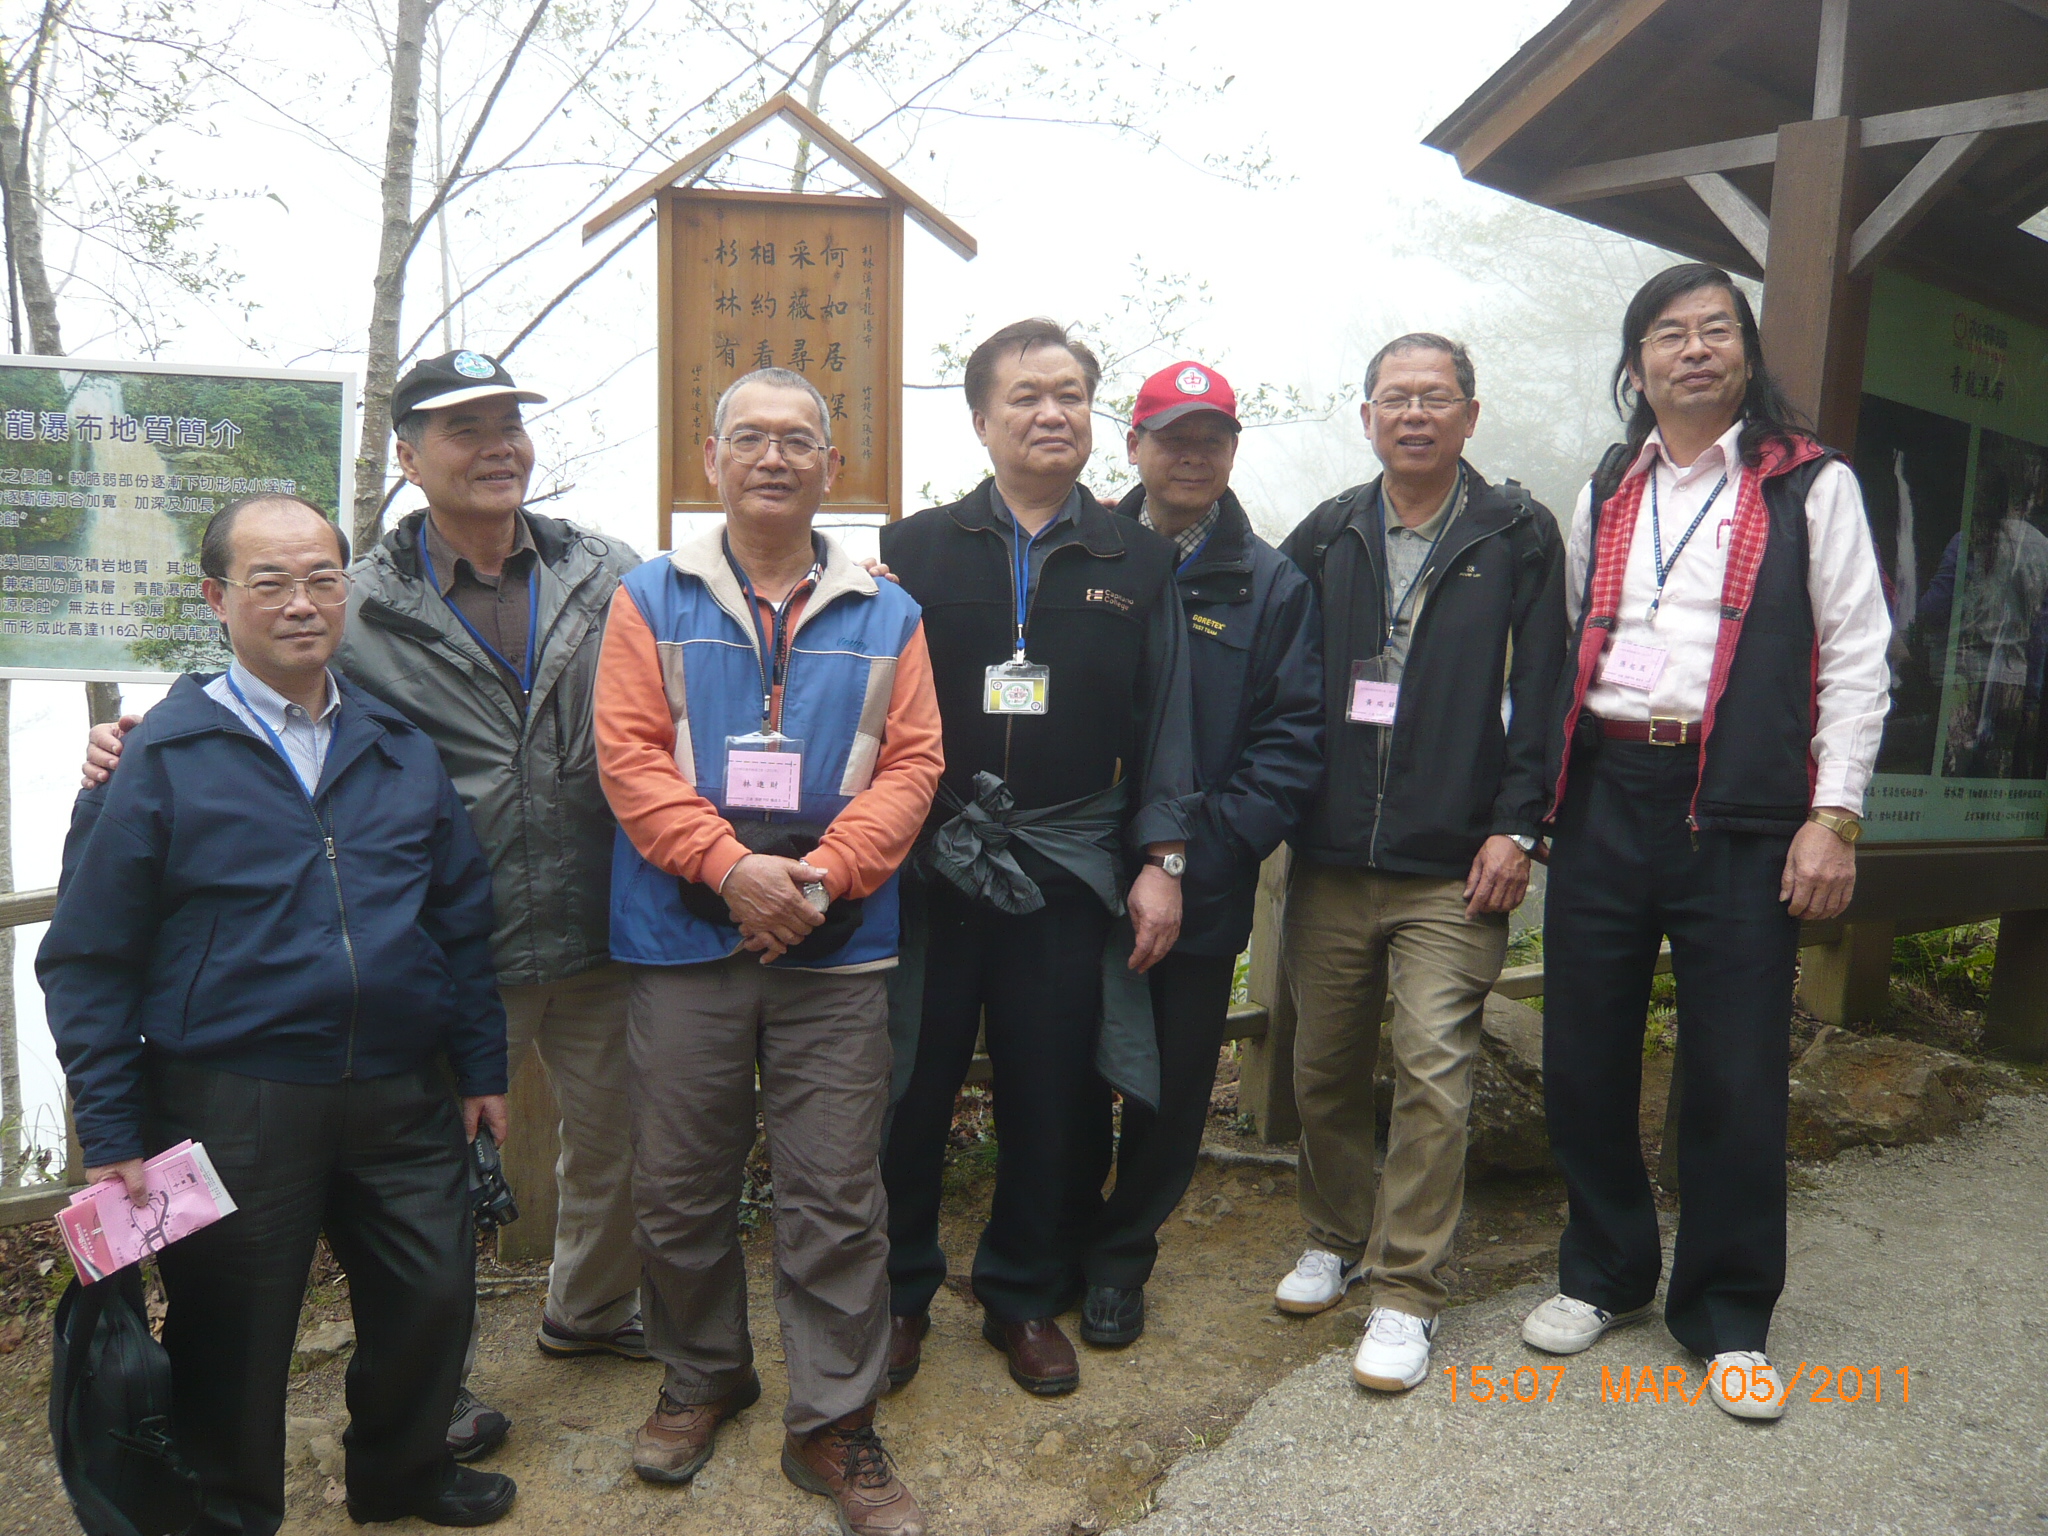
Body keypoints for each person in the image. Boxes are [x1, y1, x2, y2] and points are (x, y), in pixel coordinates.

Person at [86, 350, 648, 1459]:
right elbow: (264, 672)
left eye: (509, 424)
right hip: (438, 947)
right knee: (431, 1189)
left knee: (618, 1145)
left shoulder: (608, 572)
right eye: (464, 429)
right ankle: (432, 1396)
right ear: (407, 456)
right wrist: (139, 735)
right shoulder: (366, 594)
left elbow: (688, 672)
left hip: (597, 916)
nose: (496, 447)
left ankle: (588, 1312)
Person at [40, 494, 516, 1532]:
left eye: (322, 579)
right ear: (217, 598)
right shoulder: (158, 757)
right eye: (270, 582)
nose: (301, 603)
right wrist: (111, 1129)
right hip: (233, 1096)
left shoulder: (396, 743)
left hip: (400, 1083)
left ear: (346, 591)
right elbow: (87, 958)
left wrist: (482, 1066)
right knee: (234, 1328)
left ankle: (403, 1473)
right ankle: (229, 1510)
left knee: (433, 1296)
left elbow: (458, 920)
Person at [1524, 263, 1889, 1421]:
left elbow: (1857, 655)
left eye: (1714, 330)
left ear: (1744, 353)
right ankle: (1603, 1271)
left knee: (1734, 1070)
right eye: (1667, 334)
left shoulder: (1807, 483)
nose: (1692, 349)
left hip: (1739, 805)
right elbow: (1573, 638)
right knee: (1582, 1050)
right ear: (1634, 365)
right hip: (1605, 793)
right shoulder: (1606, 486)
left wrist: (1831, 816)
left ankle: (1728, 1314)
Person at [594, 366, 942, 1534]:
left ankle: (833, 1420)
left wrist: (822, 877)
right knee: (679, 1184)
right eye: (749, 437)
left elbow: (914, 764)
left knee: (836, 1193)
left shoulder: (889, 612)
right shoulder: (647, 598)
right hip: (681, 939)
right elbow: (628, 756)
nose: (773, 457)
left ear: (831, 467)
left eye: (798, 440)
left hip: (837, 950)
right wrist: (730, 868)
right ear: (711, 458)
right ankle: (702, 1373)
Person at [877, 318, 1197, 1398]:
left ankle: (1020, 1292)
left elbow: (1165, 722)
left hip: (1065, 865)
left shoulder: (1136, 560)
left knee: (1051, 1090)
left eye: (1069, 394)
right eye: (1024, 396)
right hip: (930, 866)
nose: (1051, 413)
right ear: (980, 420)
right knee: (911, 1087)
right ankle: (899, 1292)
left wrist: (1161, 858)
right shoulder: (913, 550)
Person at [1273, 333, 1566, 1393]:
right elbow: (1250, 620)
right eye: (1393, 397)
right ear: (1365, 417)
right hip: (1333, 855)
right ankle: (1334, 1234)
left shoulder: (1514, 531)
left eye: (1434, 398)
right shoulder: (1332, 529)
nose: (1413, 414)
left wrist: (1518, 827)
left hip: (1454, 863)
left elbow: (1545, 687)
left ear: (1469, 416)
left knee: (1434, 1069)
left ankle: (1405, 1290)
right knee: (1322, 1065)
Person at [1073, 360, 1324, 1346]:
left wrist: (1190, 859)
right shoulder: (1083, 552)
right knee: (1065, 1067)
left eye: (1210, 438)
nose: (1191, 454)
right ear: (1133, 444)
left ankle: (1120, 1257)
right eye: (1172, 436)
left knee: (1175, 1084)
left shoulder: (1271, 584)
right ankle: (1059, 1232)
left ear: (1231, 450)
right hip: (1078, 867)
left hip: (1200, 881)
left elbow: (1291, 744)